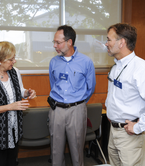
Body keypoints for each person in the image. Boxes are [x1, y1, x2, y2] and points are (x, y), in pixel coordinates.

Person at [105, 23, 145, 166]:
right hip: (114, 131)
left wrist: (139, 127)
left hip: (130, 134)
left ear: (122, 42)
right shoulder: (116, 67)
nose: (106, 43)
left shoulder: (141, 68)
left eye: (109, 39)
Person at [0, 41, 36, 166]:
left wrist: (27, 93)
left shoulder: (15, 72)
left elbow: (19, 91)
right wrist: (10, 107)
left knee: (11, 162)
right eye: (11, 59)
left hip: (12, 129)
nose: (14, 61)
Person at [48, 25, 96, 166]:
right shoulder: (54, 62)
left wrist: (77, 102)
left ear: (69, 42)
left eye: (58, 42)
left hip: (77, 110)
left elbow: (90, 88)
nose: (55, 46)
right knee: (55, 151)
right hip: (56, 109)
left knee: (77, 151)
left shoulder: (86, 62)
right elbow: (53, 85)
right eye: (54, 42)